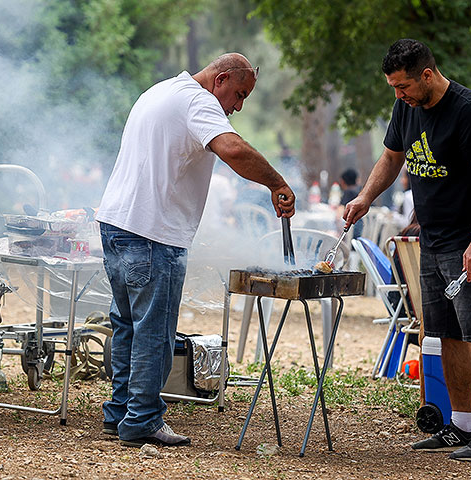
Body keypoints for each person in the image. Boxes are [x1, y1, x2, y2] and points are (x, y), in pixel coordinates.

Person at [96, 53, 295, 447]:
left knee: (127, 326)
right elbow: (233, 149)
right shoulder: (198, 101)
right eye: (238, 94)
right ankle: (142, 420)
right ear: (220, 79)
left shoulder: (162, 90)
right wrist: (276, 183)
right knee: (154, 330)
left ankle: (120, 411)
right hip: (152, 233)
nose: (237, 106)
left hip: (115, 223)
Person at [344, 39, 471, 462]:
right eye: (393, 87)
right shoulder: (406, 108)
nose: (399, 94)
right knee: (444, 333)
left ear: (427, 75)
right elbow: (391, 159)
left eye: (404, 86)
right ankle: (462, 424)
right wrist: (365, 199)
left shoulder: (470, 112)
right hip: (432, 240)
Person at [339, 168, 363, 238]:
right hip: (369, 232)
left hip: (354, 234)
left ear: (342, 181)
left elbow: (339, 213)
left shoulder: (349, 192)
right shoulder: (362, 191)